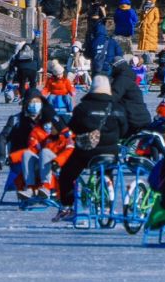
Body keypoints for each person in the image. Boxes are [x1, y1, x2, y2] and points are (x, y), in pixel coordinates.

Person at [54, 74, 126, 221]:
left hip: (87, 153)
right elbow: (124, 129)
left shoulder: (83, 107)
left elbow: (73, 128)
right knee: (106, 171)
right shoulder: (118, 107)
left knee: (67, 174)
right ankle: (105, 203)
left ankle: (67, 206)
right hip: (112, 152)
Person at [109, 49, 152, 136]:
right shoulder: (127, 77)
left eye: (112, 67)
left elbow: (113, 96)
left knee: (110, 133)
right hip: (141, 116)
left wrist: (99, 100)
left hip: (133, 119)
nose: (111, 69)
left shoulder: (122, 79)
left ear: (116, 67)